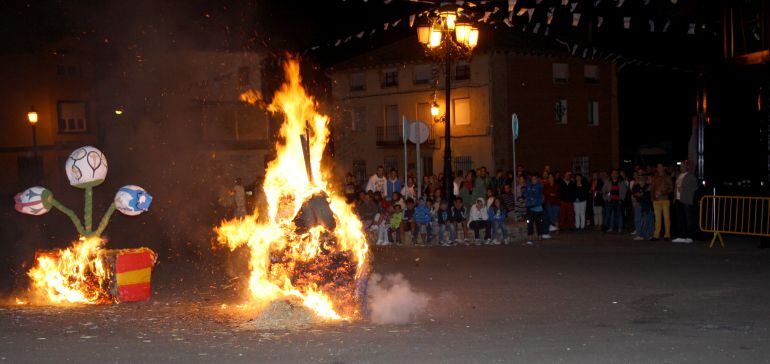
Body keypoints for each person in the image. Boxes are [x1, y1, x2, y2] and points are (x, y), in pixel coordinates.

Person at [672, 161, 698, 243]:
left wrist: (685, 189)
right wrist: (674, 197)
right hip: (678, 200)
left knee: (688, 219)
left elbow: (696, 187)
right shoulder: (679, 175)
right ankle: (681, 236)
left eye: (683, 166)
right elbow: (676, 187)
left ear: (687, 167)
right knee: (680, 219)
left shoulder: (691, 176)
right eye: (681, 166)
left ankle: (689, 237)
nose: (681, 167)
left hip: (686, 200)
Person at [524, 174, 550, 246]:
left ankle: (540, 238)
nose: (533, 180)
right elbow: (526, 194)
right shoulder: (528, 186)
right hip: (530, 208)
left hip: (538, 208)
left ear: (537, 179)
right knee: (529, 224)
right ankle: (530, 239)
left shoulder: (539, 186)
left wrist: (532, 195)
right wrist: (530, 195)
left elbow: (537, 193)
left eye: (535, 179)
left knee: (539, 224)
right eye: (532, 179)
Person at [650, 163, 673, 241]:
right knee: (657, 219)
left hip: (665, 199)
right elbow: (652, 188)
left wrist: (662, 192)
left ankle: (667, 235)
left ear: (664, 168)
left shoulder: (667, 177)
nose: (659, 168)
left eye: (660, 167)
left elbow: (671, 188)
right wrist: (652, 198)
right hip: (656, 200)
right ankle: (656, 235)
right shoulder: (654, 177)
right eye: (658, 167)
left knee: (666, 218)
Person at [632, 175, 654, 240]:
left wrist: (641, 194)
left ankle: (649, 234)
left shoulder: (648, 186)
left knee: (648, 219)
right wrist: (641, 194)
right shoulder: (636, 186)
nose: (640, 180)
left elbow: (646, 194)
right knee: (638, 219)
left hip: (647, 204)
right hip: (639, 204)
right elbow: (635, 194)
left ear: (645, 180)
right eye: (639, 179)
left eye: (642, 179)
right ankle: (640, 235)